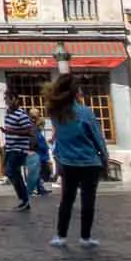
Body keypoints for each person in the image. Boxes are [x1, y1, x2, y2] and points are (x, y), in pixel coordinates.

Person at [46, 74, 109, 249]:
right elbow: (97, 137)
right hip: (89, 162)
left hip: (68, 162)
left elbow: (58, 138)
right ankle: (85, 237)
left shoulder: (55, 114)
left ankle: (61, 236)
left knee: (67, 199)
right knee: (88, 200)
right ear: (75, 91)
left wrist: (57, 159)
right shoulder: (85, 112)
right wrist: (104, 157)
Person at [0, 100, 37, 211]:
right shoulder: (8, 114)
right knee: (8, 172)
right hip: (10, 148)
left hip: (19, 148)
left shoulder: (21, 115)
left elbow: (30, 132)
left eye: (10, 99)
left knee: (11, 172)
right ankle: (24, 200)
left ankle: (24, 199)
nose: (8, 102)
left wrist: (11, 131)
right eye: (6, 99)